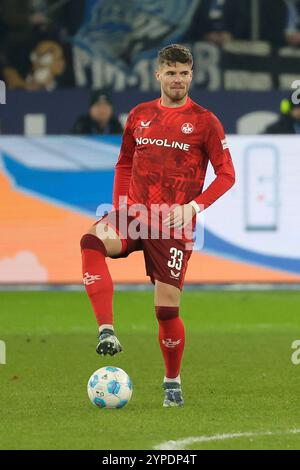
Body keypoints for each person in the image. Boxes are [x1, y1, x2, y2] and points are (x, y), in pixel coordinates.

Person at [80, 44, 235, 407]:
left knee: (166, 310)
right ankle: (106, 331)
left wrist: (194, 207)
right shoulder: (139, 115)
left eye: (184, 73)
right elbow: (124, 164)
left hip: (172, 225)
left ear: (192, 75)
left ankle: (172, 382)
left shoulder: (205, 121)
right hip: (135, 214)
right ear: (158, 75)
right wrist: (120, 205)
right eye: (171, 72)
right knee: (91, 240)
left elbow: (227, 175)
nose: (178, 79)